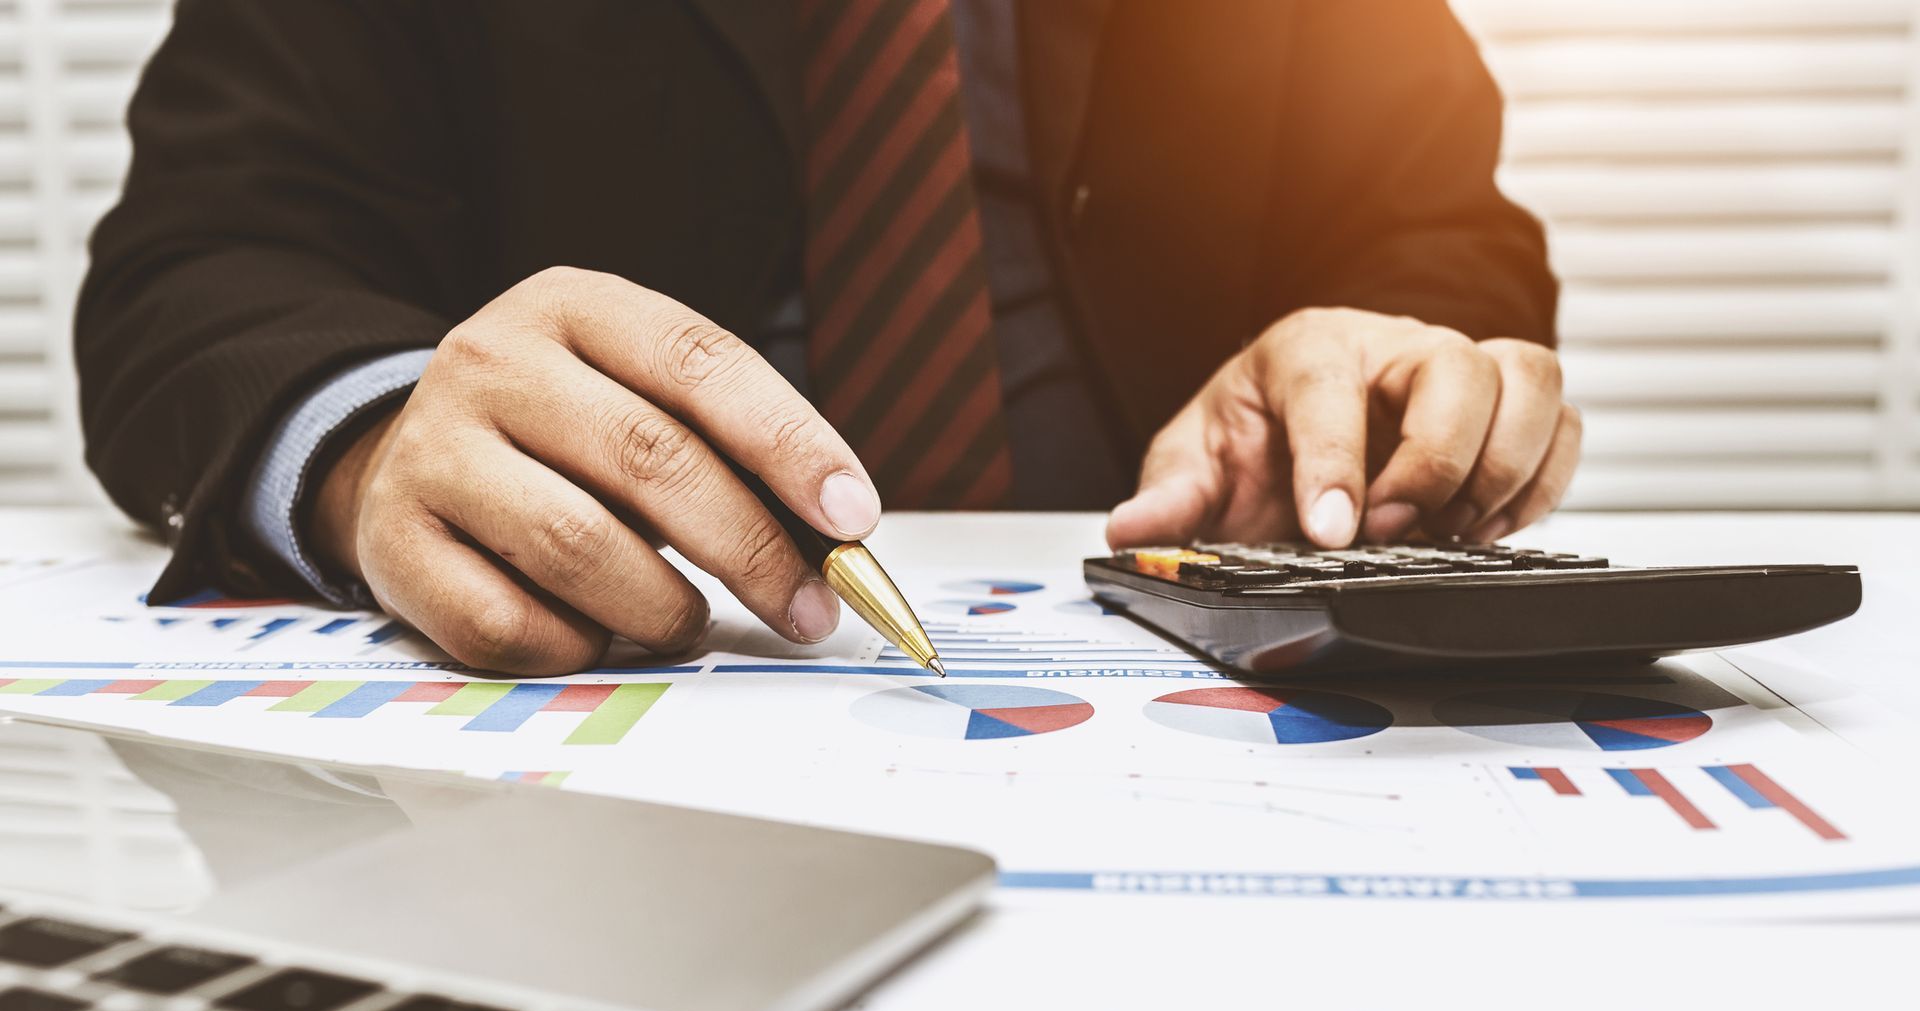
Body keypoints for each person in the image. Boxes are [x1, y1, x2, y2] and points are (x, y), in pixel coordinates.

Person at [76, 0, 1571, 676]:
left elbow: (1444, 237)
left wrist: (1384, 379)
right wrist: (383, 434)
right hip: (631, 665)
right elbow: (195, 263)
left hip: (1177, 648)